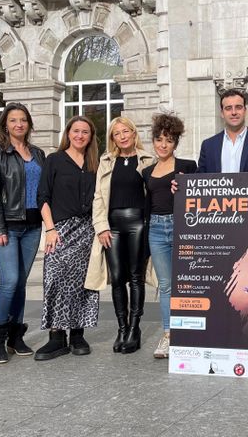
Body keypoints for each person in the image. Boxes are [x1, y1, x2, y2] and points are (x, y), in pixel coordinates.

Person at [0, 102, 46, 364]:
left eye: (23, 120)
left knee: (21, 283)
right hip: (7, 226)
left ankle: (15, 336)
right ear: (5, 124)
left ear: (29, 124)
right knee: (8, 281)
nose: (18, 124)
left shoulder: (39, 153)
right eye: (13, 120)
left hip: (33, 226)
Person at [85, 117, 155, 355]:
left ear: (134, 133)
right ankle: (122, 328)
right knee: (117, 278)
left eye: (126, 131)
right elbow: (98, 197)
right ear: (112, 138)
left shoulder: (148, 160)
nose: (123, 136)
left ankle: (135, 329)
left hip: (138, 223)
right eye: (117, 133)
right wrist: (101, 226)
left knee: (136, 276)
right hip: (111, 225)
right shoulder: (106, 161)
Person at [35, 116, 99, 360]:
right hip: (60, 229)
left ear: (91, 137)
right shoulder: (55, 160)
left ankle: (78, 333)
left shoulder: (95, 162)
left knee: (83, 282)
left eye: (85, 132)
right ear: (68, 133)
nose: (80, 136)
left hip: (87, 229)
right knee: (55, 279)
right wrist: (50, 229)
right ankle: (56, 336)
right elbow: (42, 197)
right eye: (76, 131)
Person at [143, 113, 197, 359]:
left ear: (176, 143)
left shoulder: (187, 166)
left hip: (180, 226)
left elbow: (200, 198)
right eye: (159, 139)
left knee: (187, 281)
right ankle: (168, 335)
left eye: (169, 140)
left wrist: (186, 186)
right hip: (155, 228)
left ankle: (192, 332)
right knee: (165, 285)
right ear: (153, 140)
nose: (163, 144)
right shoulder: (146, 171)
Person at [197, 89, 248, 173]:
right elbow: (199, 180)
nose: (234, 112)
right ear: (222, 113)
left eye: (238, 107)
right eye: (228, 108)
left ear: (245, 111)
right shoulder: (208, 146)